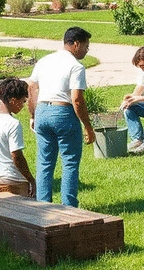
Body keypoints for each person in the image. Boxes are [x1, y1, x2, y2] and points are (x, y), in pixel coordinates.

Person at [27, 27, 95, 207]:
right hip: (63, 113)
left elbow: (32, 88)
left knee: (44, 162)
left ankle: (43, 206)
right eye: (86, 46)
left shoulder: (44, 61)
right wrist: (88, 127)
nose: (87, 50)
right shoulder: (76, 66)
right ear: (76, 44)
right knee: (70, 161)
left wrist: (33, 115)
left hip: (42, 111)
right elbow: (77, 100)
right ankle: (69, 207)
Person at [0, 78, 35, 197]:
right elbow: (16, 156)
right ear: (13, 100)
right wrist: (31, 179)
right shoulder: (13, 124)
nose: (22, 106)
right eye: (22, 101)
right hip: (14, 179)